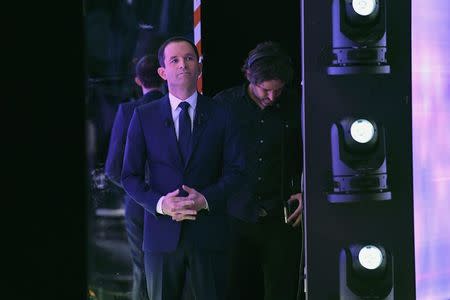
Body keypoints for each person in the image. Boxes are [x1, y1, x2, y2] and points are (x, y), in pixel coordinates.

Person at [121, 36, 245, 300]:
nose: (183, 65)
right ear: (162, 72)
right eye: (174, 60)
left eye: (190, 58)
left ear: (199, 68)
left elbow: (238, 171)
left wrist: (206, 199)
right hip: (161, 235)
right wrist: (160, 204)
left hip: (210, 234)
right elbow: (129, 176)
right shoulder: (144, 116)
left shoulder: (222, 113)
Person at [213, 41, 304, 300]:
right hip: (235, 217)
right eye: (266, 90)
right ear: (250, 78)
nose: (272, 97)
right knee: (234, 290)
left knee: (282, 291)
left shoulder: (296, 105)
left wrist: (304, 190)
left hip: (282, 217)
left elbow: (312, 153)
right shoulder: (224, 105)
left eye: (278, 90)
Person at [105, 53, 164, 300]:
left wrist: (137, 192)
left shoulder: (128, 111)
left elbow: (112, 168)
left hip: (138, 205)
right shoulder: (174, 107)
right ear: (163, 75)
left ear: (138, 81)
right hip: (173, 200)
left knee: (141, 269)